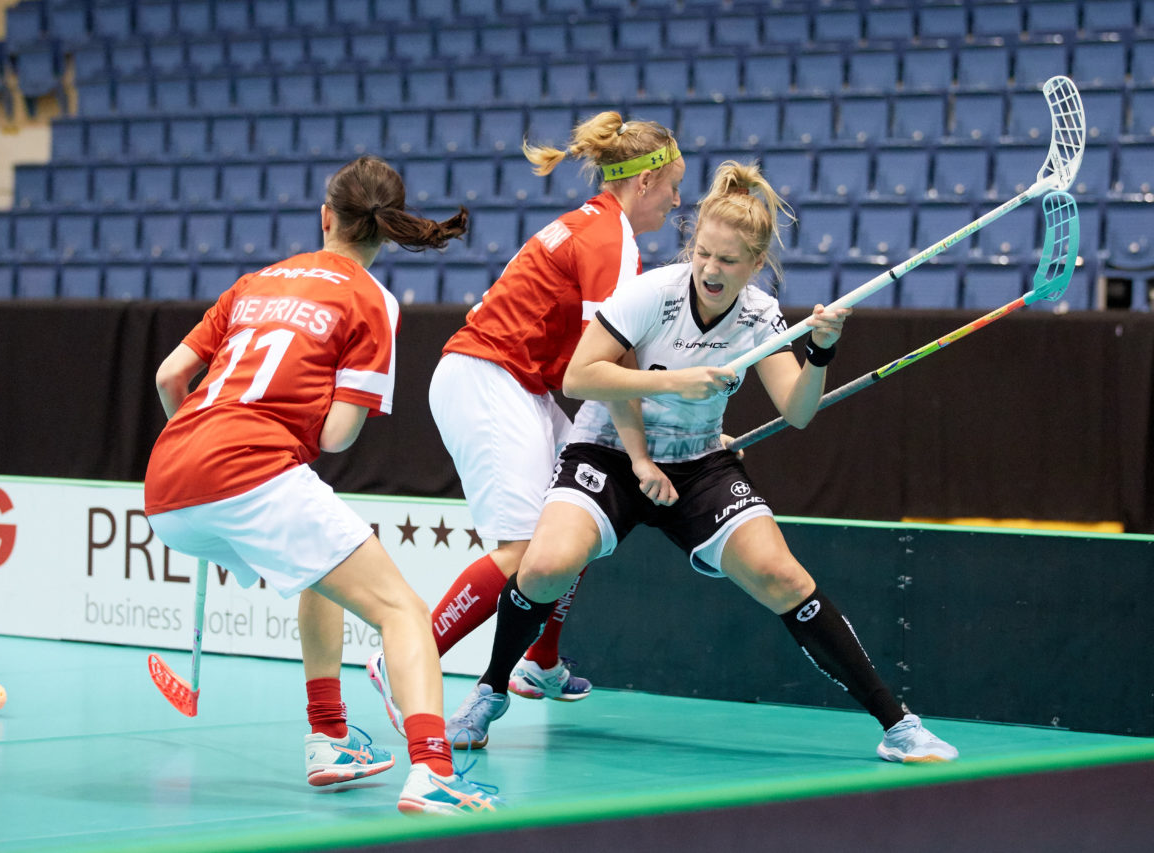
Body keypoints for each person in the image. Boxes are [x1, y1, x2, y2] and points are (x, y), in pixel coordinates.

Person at [445, 160, 959, 764]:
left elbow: (797, 411)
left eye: (729, 261)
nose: (712, 271)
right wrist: (679, 386)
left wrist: (822, 348)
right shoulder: (650, 293)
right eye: (705, 255)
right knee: (546, 565)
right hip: (608, 452)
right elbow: (582, 376)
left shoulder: (761, 316)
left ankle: (896, 723)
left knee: (784, 577)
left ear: (756, 264)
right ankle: (489, 690)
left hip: (698, 464)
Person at [143, 156, 502, 815]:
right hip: (250, 468)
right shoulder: (373, 300)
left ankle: (331, 735)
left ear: (326, 216)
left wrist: (204, 454)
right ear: (387, 232)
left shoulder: (253, 283)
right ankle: (432, 771)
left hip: (167, 477)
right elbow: (337, 436)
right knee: (401, 611)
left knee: (321, 568)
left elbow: (171, 377)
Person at [367, 111, 685, 731]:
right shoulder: (609, 240)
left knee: (584, 510)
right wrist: (651, 445)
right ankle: (403, 657)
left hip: (522, 384)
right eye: (673, 184)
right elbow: (609, 363)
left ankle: (540, 661)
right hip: (488, 379)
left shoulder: (602, 231)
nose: (679, 199)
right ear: (643, 183)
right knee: (522, 554)